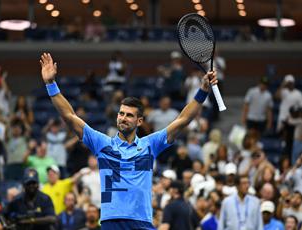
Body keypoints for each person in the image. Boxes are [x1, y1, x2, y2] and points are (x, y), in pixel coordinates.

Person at [40, 52, 218, 229]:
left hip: (142, 222)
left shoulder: (150, 144)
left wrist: (202, 91)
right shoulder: (102, 144)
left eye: (129, 115)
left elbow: (183, 120)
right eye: (121, 113)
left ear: (139, 121)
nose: (123, 118)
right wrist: (51, 83)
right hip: (111, 222)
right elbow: (69, 116)